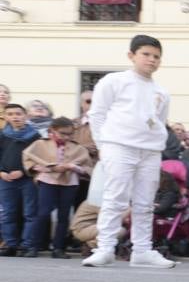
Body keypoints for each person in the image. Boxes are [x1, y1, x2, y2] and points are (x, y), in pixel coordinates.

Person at [82, 35, 177, 269]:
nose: (151, 60)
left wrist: (158, 144)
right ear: (131, 55)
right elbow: (97, 114)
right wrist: (103, 146)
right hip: (119, 146)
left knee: (145, 203)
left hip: (150, 150)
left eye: (156, 56)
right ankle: (104, 248)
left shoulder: (161, 92)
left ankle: (142, 250)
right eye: (146, 54)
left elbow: (160, 121)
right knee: (115, 198)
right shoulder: (113, 81)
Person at [23, 116, 93, 259]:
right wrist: (47, 168)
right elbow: (28, 159)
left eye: (70, 134)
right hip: (48, 180)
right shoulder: (41, 144)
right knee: (43, 213)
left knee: (64, 215)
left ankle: (59, 248)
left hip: (69, 183)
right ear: (52, 130)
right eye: (63, 133)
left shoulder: (78, 148)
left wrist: (74, 167)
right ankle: (33, 246)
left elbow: (87, 166)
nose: (67, 137)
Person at [0, 103, 41, 256]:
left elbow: (39, 158)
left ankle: (28, 245)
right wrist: (1, 172)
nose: (15, 117)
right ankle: (10, 244)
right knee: (8, 213)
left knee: (30, 213)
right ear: (5, 117)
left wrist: (23, 171)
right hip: (6, 180)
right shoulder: (2, 135)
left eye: (18, 114)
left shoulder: (35, 136)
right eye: (10, 114)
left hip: (28, 180)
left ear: (25, 116)